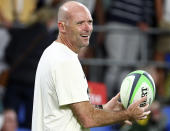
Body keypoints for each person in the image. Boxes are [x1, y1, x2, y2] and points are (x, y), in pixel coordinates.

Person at [31, 1, 151, 131]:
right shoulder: (65, 62)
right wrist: (127, 114)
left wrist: (105, 108)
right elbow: (88, 119)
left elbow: (77, 111)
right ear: (62, 27)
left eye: (90, 22)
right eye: (80, 23)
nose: (87, 28)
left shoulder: (54, 53)